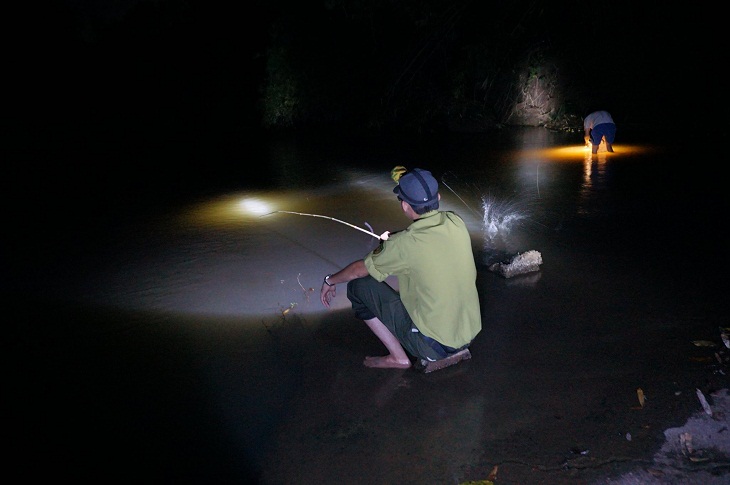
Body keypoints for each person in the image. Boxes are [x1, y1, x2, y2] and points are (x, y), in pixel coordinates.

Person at [320, 167, 482, 372]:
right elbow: (422, 240)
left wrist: (329, 281)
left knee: (358, 287)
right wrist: (395, 239)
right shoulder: (454, 221)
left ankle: (398, 358)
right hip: (469, 335)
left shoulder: (403, 245)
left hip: (434, 347)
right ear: (438, 197)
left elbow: (358, 270)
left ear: (405, 206)